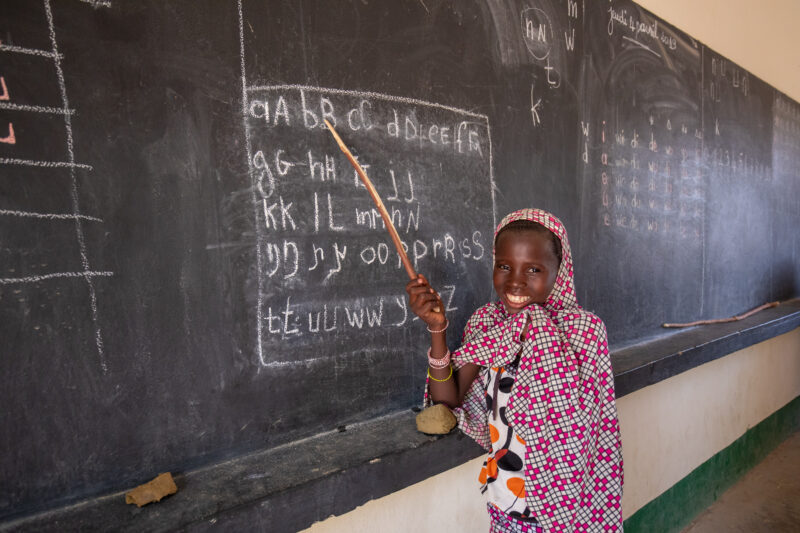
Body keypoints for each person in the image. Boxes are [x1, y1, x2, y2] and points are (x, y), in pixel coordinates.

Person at [406, 208, 623, 533]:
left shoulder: (584, 332)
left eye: (533, 269)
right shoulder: (488, 324)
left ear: (558, 272)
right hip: (508, 501)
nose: (515, 281)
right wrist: (437, 330)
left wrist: (534, 330)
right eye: (504, 266)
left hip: (571, 507)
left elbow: (589, 431)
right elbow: (448, 400)